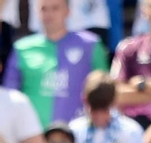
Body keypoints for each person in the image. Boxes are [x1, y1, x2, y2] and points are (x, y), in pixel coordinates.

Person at [5, 0, 108, 129]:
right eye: (44, 9)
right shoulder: (22, 48)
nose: (49, 14)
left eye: (55, 8)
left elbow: (105, 90)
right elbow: (10, 94)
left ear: (68, 11)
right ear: (36, 12)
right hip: (32, 136)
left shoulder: (90, 45)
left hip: (78, 135)